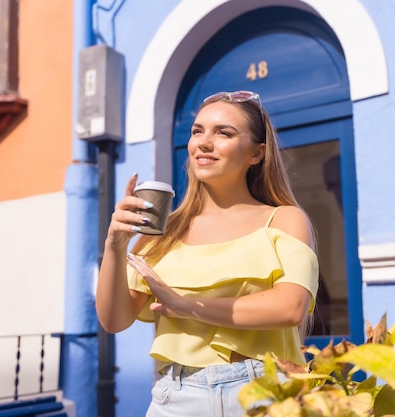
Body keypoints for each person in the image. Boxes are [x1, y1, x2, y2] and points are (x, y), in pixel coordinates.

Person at [96, 90, 319, 417]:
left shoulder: (284, 219)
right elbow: (114, 319)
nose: (203, 141)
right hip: (176, 397)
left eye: (224, 133)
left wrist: (184, 306)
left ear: (257, 154)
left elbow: (290, 307)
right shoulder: (164, 230)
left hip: (263, 393)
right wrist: (115, 243)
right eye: (197, 131)